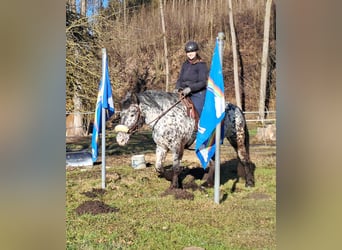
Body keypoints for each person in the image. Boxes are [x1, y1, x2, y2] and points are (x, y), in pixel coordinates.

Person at [175, 41, 209, 118]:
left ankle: (201, 126)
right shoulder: (185, 64)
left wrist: (190, 88)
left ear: (196, 51)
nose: (190, 54)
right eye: (188, 52)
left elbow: (203, 82)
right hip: (184, 92)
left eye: (192, 51)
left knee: (199, 109)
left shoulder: (201, 65)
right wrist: (177, 88)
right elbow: (180, 78)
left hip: (197, 93)